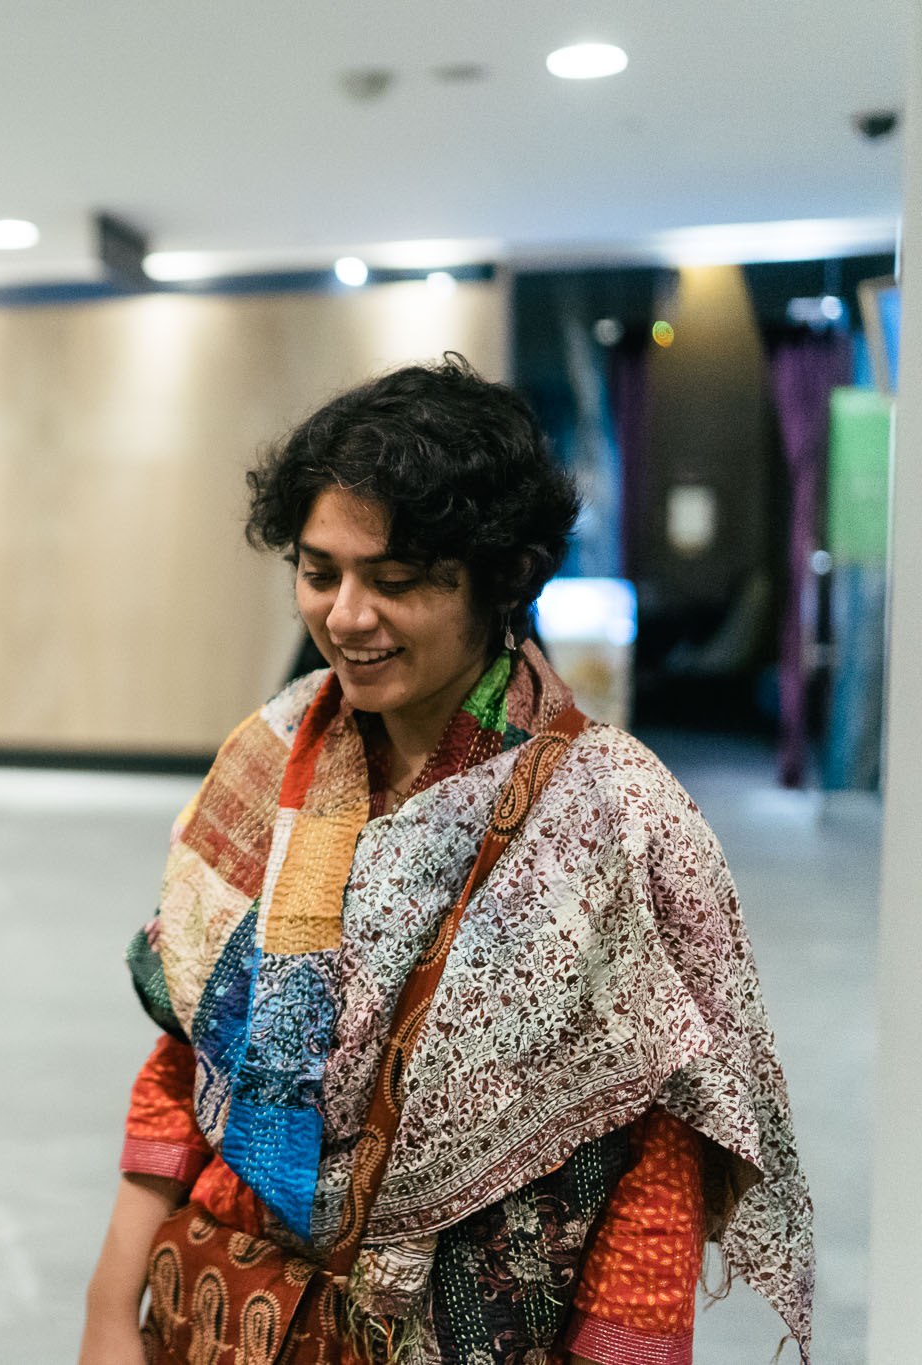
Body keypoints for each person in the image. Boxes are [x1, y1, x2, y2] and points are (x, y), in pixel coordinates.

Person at [78, 357, 813, 1365]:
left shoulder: (610, 814)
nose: (346, 615)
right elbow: (187, 1050)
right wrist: (107, 1303)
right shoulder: (268, 762)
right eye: (319, 571)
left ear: (499, 579)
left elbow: (656, 1159)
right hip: (222, 1309)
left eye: (395, 581)